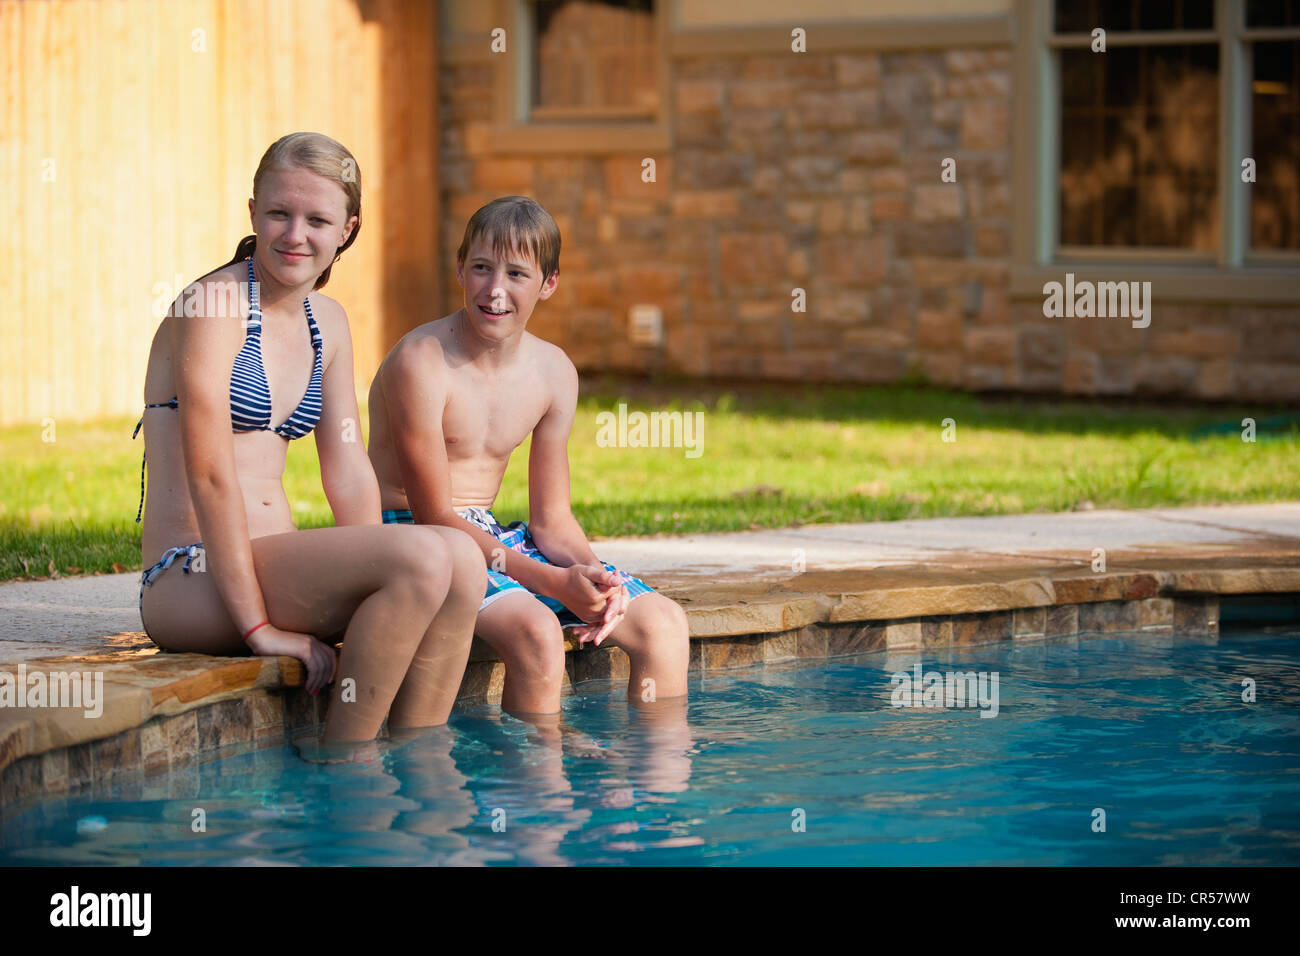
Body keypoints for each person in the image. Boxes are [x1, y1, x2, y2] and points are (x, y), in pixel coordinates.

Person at [135, 132, 484, 745]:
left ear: (347, 229)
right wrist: (257, 630)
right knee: (427, 556)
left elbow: (347, 467)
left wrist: (375, 556)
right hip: (193, 578)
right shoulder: (213, 305)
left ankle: (419, 764)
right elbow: (210, 474)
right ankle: (349, 769)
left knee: (459, 561)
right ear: (252, 212)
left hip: (277, 563)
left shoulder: (329, 322)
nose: (295, 235)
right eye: (279, 213)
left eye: (318, 219)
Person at [366, 195, 690, 721]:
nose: (495, 291)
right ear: (459, 270)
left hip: (488, 534)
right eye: (481, 269)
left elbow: (552, 519)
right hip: (414, 535)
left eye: (517, 273)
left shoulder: (553, 371)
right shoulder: (421, 361)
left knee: (665, 624)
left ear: (548, 283)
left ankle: (651, 795)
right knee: (537, 630)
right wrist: (551, 583)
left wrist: (592, 578)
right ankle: (537, 796)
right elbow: (435, 518)